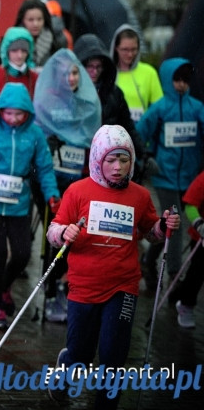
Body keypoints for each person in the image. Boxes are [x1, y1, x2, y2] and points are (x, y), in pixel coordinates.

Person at [46, 125, 179, 408]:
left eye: (124, 159)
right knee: (81, 353)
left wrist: (163, 226)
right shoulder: (78, 191)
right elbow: (53, 231)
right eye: (110, 160)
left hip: (123, 285)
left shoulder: (140, 196)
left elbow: (151, 231)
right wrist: (63, 232)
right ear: (97, 159)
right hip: (84, 286)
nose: (117, 167)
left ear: (132, 161)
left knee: (113, 355)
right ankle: (67, 365)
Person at [0, 82, 59, 329]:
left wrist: (52, 194)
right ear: (0, 111)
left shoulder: (35, 135)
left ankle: (4, 287)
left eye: (19, 114)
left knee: (23, 253)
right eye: (8, 113)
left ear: (27, 112)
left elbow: (45, 168)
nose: (14, 119)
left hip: (19, 204)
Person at [32, 48, 101, 322]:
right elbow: (37, 133)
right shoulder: (45, 100)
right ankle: (49, 293)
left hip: (76, 178)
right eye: (66, 73)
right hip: (49, 178)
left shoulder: (86, 102)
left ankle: (61, 284)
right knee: (55, 235)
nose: (72, 78)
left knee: (74, 236)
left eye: (75, 72)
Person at [137, 59, 204, 284]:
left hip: (189, 175)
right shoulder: (160, 108)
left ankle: (149, 259)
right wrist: (146, 157)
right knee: (175, 221)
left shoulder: (197, 108)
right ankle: (176, 274)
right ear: (168, 80)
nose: (181, 85)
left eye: (185, 80)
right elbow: (140, 133)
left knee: (170, 225)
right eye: (177, 80)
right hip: (164, 176)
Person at [72, 33, 145, 172]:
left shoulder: (114, 93)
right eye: (90, 66)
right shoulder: (68, 92)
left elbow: (127, 127)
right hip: (74, 163)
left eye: (99, 67)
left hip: (105, 162)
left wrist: (143, 153)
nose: (94, 71)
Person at [0, 0, 67, 75]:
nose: (35, 24)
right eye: (30, 20)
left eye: (39, 19)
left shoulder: (55, 44)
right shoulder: (9, 42)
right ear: (22, 20)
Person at [110, 24, 163, 124]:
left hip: (142, 135)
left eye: (134, 49)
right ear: (116, 48)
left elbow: (159, 108)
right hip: (115, 136)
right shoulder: (108, 74)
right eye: (125, 49)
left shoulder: (149, 72)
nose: (130, 54)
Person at [174, 171, 204, 328]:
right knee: (197, 274)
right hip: (201, 238)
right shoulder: (202, 180)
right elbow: (190, 205)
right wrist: (199, 224)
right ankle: (186, 305)